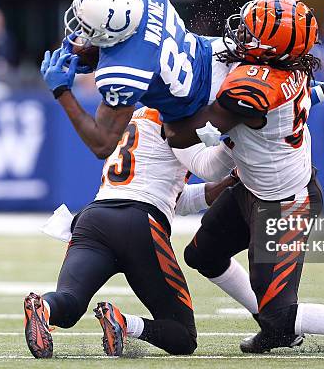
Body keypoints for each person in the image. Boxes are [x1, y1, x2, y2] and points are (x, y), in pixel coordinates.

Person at [172, 0, 324, 360]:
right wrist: (323, 92)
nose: (242, 32)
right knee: (204, 254)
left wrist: (160, 109)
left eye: (252, 30)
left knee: (281, 316)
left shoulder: (251, 91)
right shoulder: (293, 64)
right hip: (255, 186)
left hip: (283, 205)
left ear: (270, 49)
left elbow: (194, 148)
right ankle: (273, 328)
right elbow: (279, 96)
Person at [40, 0, 324, 158]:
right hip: (210, 53)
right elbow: (137, 48)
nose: (80, 31)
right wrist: (88, 55)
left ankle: (321, 93)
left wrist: (62, 91)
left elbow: (103, 143)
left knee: (198, 162)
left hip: (202, 106)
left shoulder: (123, 73)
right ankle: (323, 92)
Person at [23, 105, 236, 359]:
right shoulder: (176, 115)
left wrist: (230, 181)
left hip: (94, 218)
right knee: (182, 336)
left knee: (68, 304)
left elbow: (175, 198)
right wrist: (241, 144)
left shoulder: (134, 117)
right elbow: (210, 167)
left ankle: (43, 307)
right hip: (140, 224)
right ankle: (124, 323)